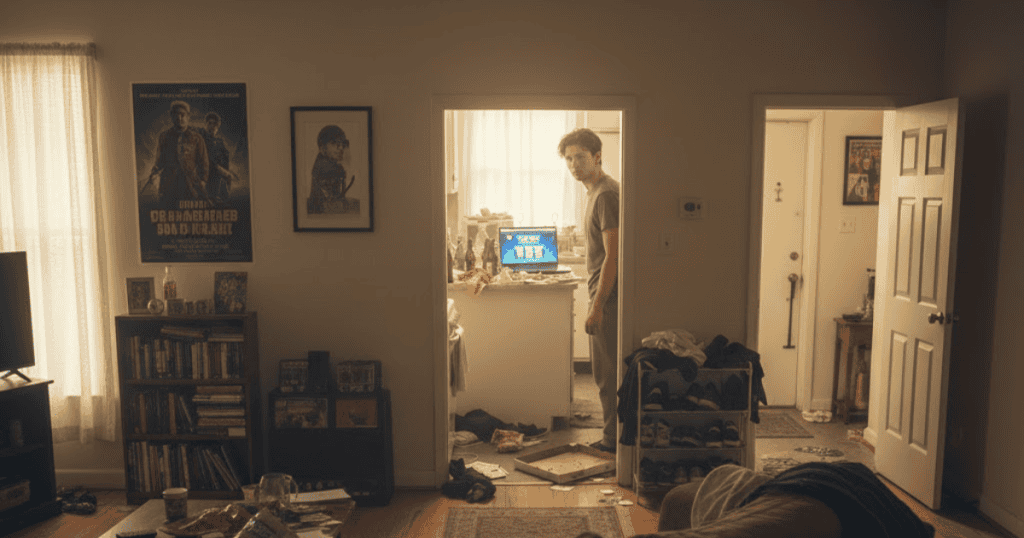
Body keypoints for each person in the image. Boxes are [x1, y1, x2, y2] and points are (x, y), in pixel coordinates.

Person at [559, 128, 619, 454]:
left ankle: (612, 444)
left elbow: (614, 254)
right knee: (604, 374)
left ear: (597, 157)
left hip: (609, 299)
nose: (573, 164)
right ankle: (614, 438)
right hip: (604, 295)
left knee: (607, 375)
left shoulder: (607, 194)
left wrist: (597, 306)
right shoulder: (595, 192)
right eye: (568, 159)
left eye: (579, 157)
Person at [146, 100, 209, 206]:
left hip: (190, 185)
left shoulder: (197, 138)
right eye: (176, 114)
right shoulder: (164, 137)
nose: (179, 118)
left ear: (188, 116)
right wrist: (154, 172)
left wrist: (203, 180)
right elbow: (159, 161)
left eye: (182, 114)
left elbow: (204, 162)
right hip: (169, 186)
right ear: (171, 116)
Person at [308, 124, 357, 214]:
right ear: (323, 149)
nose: (341, 147)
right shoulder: (324, 165)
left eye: (342, 143)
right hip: (321, 212)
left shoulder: (333, 164)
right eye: (334, 143)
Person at [199, 112, 238, 205]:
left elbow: (225, 158)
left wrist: (227, 171)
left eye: (215, 124)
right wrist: (218, 168)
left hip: (219, 175)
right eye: (210, 123)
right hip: (205, 171)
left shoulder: (219, 142)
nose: (212, 126)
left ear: (218, 127)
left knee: (228, 178)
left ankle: (220, 199)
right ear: (206, 124)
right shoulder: (200, 138)